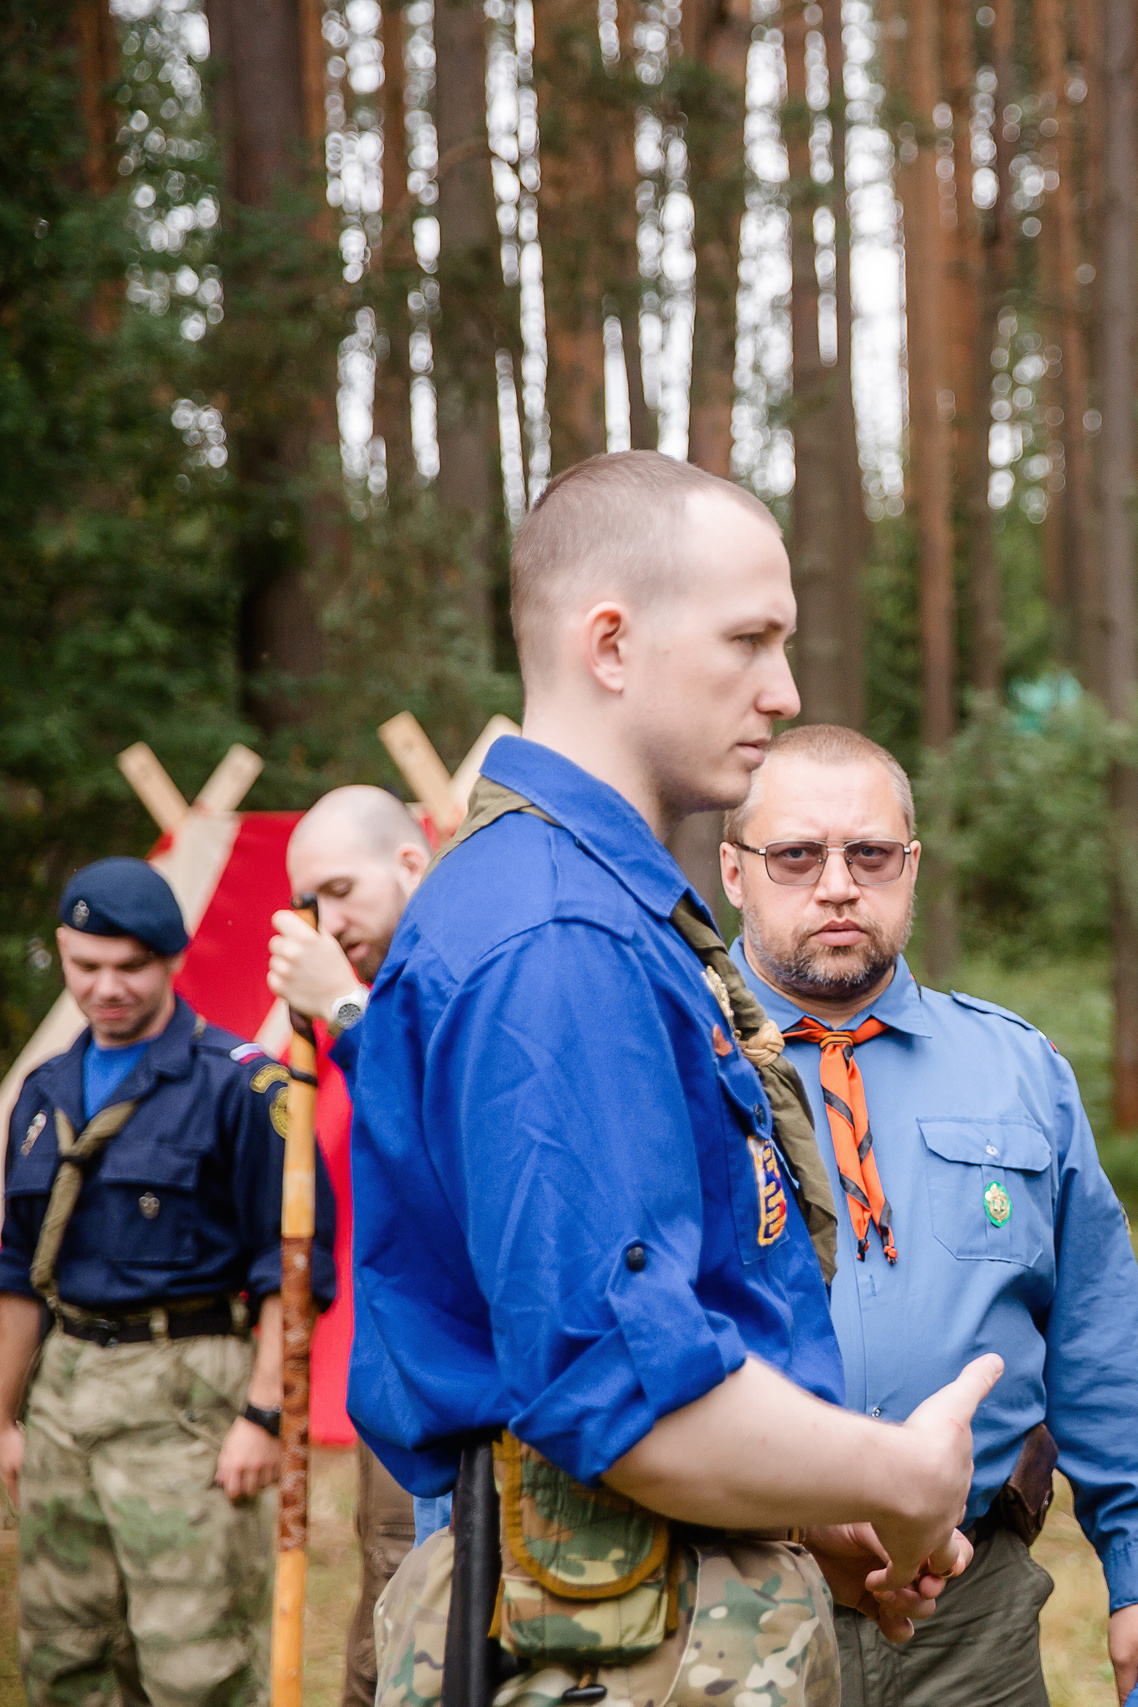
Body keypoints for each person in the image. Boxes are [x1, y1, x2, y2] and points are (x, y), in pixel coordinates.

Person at [349, 450, 998, 1707]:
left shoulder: (602, 908)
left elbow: (675, 1320)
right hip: (591, 1639)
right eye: (749, 640)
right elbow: (624, 1400)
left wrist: (806, 1505)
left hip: (644, 1603)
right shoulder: (556, 941)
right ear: (611, 644)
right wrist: (896, 1476)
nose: (785, 687)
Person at [718, 723, 1138, 1707]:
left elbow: (1100, 1339)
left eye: (871, 854)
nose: (838, 884)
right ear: (734, 871)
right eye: (796, 856)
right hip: (727, 1598)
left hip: (967, 1619)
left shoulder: (1014, 1071)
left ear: (912, 864)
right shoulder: (670, 1062)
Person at [0, 856, 338, 1707]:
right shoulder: (43, 1094)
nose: (106, 986)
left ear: (171, 959)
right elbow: (15, 1270)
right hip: (63, 1393)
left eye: (130, 965)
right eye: (86, 965)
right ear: (64, 954)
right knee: (62, 1649)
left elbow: (289, 1270)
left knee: (196, 1664)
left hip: (187, 1392)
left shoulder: (240, 1083)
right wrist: (4, 1416)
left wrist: (265, 1415)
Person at [263, 784, 432, 1707]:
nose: (323, 922)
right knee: (389, 1591)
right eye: (307, 903)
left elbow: (441, 1122)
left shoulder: (456, 964)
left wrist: (343, 1007)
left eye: (339, 890)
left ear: (409, 863)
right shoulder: (373, 984)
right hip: (398, 1362)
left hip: (479, 1374)